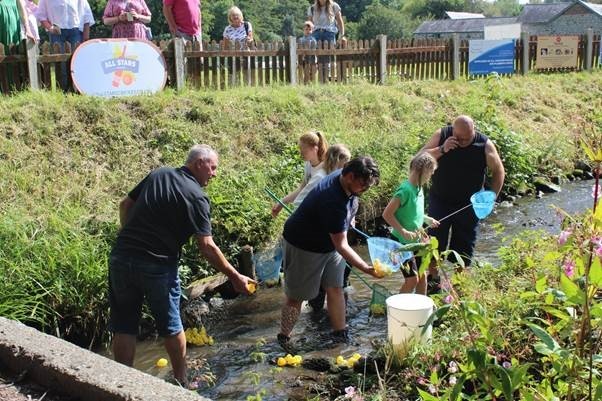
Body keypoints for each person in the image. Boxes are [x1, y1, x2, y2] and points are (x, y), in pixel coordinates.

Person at [108, 144, 255, 386]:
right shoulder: (197, 197)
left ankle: (119, 384)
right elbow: (207, 246)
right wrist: (235, 276)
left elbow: (125, 204)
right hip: (158, 264)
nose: (215, 174)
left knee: (124, 324)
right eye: (213, 167)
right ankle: (181, 382)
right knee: (171, 325)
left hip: (122, 256)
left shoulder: (159, 174)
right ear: (199, 163)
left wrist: (129, 236)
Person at [277, 156, 382, 352]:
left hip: (329, 244)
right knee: (296, 296)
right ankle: (284, 337)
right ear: (350, 176)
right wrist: (367, 268)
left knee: (336, 287)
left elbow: (339, 239)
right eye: (363, 186)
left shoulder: (345, 180)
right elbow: (342, 245)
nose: (365, 190)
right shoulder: (332, 200)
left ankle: (340, 334)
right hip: (304, 245)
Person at [420, 116, 505, 290]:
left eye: (467, 138)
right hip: (440, 199)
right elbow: (419, 159)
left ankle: (460, 286)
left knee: (465, 246)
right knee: (435, 242)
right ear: (453, 131)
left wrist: (491, 197)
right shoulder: (442, 136)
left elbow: (498, 171)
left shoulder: (484, 145)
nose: (463, 142)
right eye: (459, 138)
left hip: (469, 205)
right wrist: (442, 149)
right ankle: (433, 281)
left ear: (473, 130)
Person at [382, 152, 439, 295]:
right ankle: (397, 309)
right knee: (412, 280)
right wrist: (403, 231)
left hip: (416, 241)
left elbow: (413, 213)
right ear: (423, 170)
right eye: (430, 173)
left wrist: (427, 219)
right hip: (400, 243)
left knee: (422, 276)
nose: (430, 176)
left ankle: (421, 309)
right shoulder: (405, 190)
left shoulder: (419, 189)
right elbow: (387, 214)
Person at [307, 143, 352, 311]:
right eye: (345, 161)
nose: (347, 166)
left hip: (340, 232)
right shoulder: (322, 178)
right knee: (321, 274)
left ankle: (339, 304)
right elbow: (305, 199)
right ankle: (317, 308)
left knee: (342, 273)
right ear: (337, 160)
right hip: (323, 236)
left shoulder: (344, 180)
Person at [271, 131, 328, 217]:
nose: (301, 154)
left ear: (315, 149)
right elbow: (302, 188)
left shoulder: (321, 174)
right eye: (300, 150)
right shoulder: (309, 163)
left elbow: (305, 199)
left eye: (304, 151)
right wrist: (282, 202)